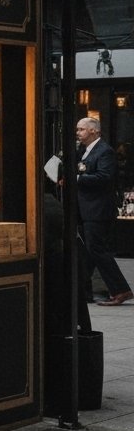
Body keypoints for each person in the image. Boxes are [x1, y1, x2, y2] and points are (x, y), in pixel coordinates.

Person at [75, 117, 130, 306]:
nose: (78, 133)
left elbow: (104, 177)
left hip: (98, 209)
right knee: (89, 252)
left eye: (81, 129)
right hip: (86, 208)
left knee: (97, 250)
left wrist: (77, 179)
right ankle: (81, 291)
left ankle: (121, 289)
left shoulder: (104, 151)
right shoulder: (84, 151)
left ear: (94, 131)